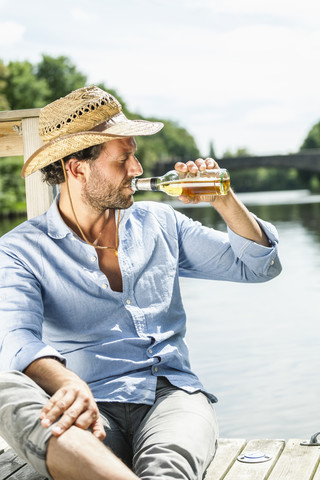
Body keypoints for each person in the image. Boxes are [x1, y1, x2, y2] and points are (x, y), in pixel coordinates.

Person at [0, 85, 281, 480]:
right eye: (123, 159)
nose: (136, 169)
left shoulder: (162, 223)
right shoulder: (20, 250)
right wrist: (67, 382)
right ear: (76, 168)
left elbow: (258, 266)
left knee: (167, 466)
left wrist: (224, 198)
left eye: (135, 155)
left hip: (171, 397)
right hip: (86, 400)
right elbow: (16, 339)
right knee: (8, 393)